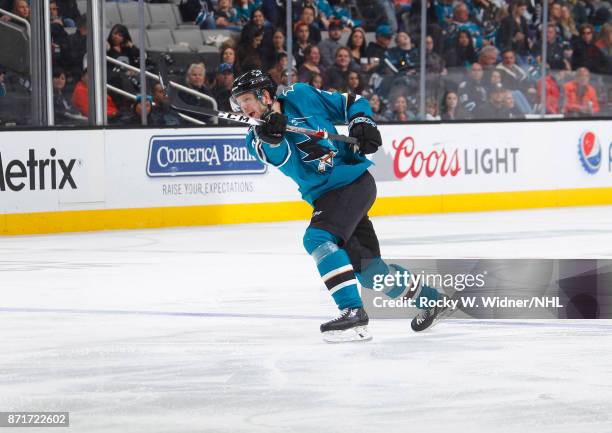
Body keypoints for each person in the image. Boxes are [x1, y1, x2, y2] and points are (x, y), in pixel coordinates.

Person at [230, 70, 444, 342]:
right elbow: (280, 154)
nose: (243, 108)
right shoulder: (255, 138)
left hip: (353, 182)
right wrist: (272, 134)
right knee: (370, 272)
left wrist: (363, 122)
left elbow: (351, 102)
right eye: (239, 101)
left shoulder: (302, 94)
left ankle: (352, 310)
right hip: (328, 197)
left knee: (317, 237)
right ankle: (431, 299)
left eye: (247, 99)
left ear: (266, 95)